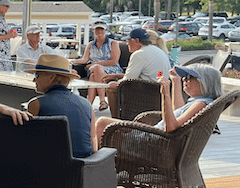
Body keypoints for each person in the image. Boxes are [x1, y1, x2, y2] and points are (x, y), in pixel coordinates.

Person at [94, 63, 222, 148]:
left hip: (152, 143)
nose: (184, 79)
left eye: (189, 77)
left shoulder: (200, 103)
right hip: (154, 138)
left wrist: (165, 94)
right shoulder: (199, 102)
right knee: (103, 124)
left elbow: (171, 127)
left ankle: (92, 163)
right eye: (184, 77)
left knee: (102, 122)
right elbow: (177, 113)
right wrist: (175, 81)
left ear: (204, 83)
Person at [25, 54, 95, 158]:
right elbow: (94, 148)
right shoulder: (87, 104)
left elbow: (27, 143)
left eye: (37, 76)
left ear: (51, 77)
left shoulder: (36, 104)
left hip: (49, 167)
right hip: (83, 168)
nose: (34, 80)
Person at [102, 27, 172, 109]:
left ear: (136, 41)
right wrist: (115, 76)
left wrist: (115, 81)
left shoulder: (139, 54)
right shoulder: (158, 50)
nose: (127, 44)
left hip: (146, 93)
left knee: (111, 87)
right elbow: (146, 74)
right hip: (160, 91)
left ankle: (116, 119)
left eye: (129, 41)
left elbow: (126, 81)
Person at [72, 21, 121, 110]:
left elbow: (114, 61)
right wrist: (73, 61)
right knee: (96, 69)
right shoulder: (90, 44)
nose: (99, 31)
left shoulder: (113, 43)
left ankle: (89, 105)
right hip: (93, 68)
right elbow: (85, 59)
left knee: (93, 75)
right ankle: (102, 102)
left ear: (105, 30)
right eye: (97, 29)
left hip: (111, 69)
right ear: (94, 30)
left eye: (101, 29)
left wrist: (95, 64)